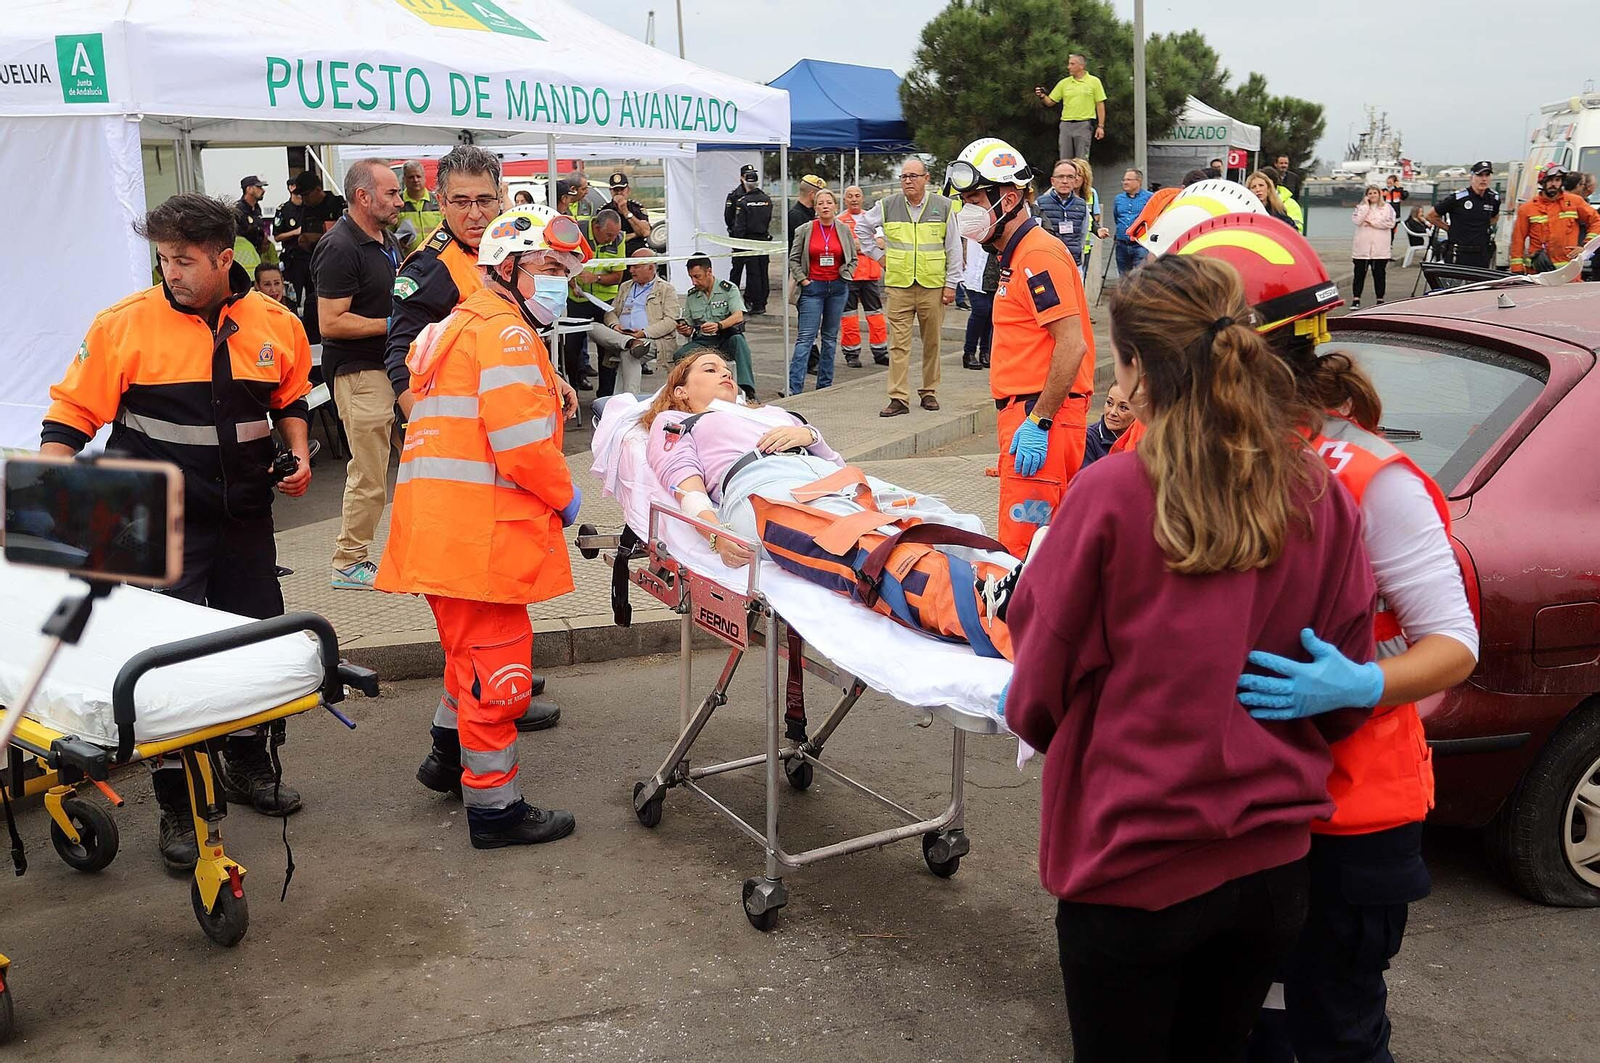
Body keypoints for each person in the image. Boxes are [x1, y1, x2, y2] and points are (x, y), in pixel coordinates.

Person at [1004, 251, 1380, 1063]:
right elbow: (1346, 693)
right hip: (1273, 866)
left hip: (1134, 864)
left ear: (1136, 370)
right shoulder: (1319, 491)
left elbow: (1035, 687)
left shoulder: (1109, 495)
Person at [1163, 213, 1479, 1063]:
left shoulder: (1372, 479)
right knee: (1245, 1029)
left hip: (1348, 817)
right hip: (1239, 809)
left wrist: (1360, 683)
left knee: (1332, 1032)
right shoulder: (1205, 464)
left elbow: (1452, 642)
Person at [40, 193, 314, 867]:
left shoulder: (274, 322)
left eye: (185, 260)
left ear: (225, 257)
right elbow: (70, 418)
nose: (171, 272)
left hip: (244, 525)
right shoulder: (122, 326)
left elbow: (291, 400)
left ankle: (247, 764)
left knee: (251, 652)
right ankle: (178, 807)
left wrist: (300, 452)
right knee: (159, 670)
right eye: (163, 258)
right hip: (151, 533)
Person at [377, 205, 582, 849]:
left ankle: (445, 757)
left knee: (465, 655)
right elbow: (521, 445)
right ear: (510, 266)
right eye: (548, 267)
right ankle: (496, 810)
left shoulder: (460, 325)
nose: (559, 280)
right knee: (498, 671)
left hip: (441, 530)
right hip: (479, 536)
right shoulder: (508, 336)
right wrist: (569, 497)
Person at [639, 352, 1017, 662]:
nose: (724, 373)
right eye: (710, 369)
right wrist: (714, 533)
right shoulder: (679, 421)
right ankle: (982, 603)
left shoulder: (769, 413)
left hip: (829, 476)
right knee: (865, 544)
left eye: (726, 369)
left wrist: (809, 434)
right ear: (682, 391)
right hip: (763, 485)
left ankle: (1017, 575)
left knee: (940, 517)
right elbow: (685, 486)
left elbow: (836, 461)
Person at [384, 148, 560, 730]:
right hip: (472, 469)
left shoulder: (509, 249)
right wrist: (437, 436)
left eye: (484, 200)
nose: (474, 213)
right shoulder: (430, 266)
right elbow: (403, 357)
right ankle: (491, 707)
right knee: (477, 623)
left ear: (501, 197)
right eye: (459, 202)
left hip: (493, 456)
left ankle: (456, 737)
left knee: (485, 625)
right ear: (439, 202)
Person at [948, 136, 1093, 557]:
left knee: (1024, 558)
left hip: (1041, 420)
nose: (966, 211)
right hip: (1031, 416)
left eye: (974, 199)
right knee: (1045, 553)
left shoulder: (1037, 256)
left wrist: (1040, 422)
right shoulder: (1018, 256)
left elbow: (1072, 345)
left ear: (1008, 199)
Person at [311, 158, 403, 591]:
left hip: (389, 368)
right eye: (391, 193)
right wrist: (393, 325)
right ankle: (349, 561)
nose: (399, 200)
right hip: (360, 372)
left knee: (403, 466)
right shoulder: (340, 247)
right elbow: (330, 323)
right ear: (363, 197)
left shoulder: (385, 240)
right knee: (368, 472)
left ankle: (392, 551)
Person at [852, 157, 961, 417]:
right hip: (899, 286)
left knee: (932, 342)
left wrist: (952, 284)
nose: (908, 181)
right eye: (904, 177)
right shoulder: (887, 205)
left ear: (926, 179)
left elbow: (954, 247)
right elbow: (861, 227)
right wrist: (878, 257)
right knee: (898, 345)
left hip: (932, 286)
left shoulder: (943, 207)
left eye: (913, 176)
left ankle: (929, 391)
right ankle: (898, 397)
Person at [788, 188, 856, 395]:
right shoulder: (805, 229)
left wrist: (846, 275)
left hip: (837, 288)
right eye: (820, 203)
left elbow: (853, 258)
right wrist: (804, 281)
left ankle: (824, 386)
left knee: (829, 338)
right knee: (806, 337)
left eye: (829, 202)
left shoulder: (843, 230)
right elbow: (794, 259)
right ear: (815, 207)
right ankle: (794, 388)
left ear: (835, 206)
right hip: (812, 288)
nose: (825, 206)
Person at [595, 247, 681, 396]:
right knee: (592, 327)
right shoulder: (625, 286)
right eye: (631, 266)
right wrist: (615, 325)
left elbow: (671, 321)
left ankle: (626, 400)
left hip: (651, 340)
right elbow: (611, 312)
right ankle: (628, 342)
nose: (631, 270)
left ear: (650, 268)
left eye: (636, 266)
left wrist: (643, 333)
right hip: (621, 336)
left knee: (629, 354)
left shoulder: (666, 289)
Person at [679, 255, 756, 401]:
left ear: (709, 272)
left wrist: (719, 325)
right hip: (704, 341)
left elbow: (738, 315)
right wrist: (685, 329)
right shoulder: (692, 295)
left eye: (697, 276)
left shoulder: (727, 289)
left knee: (739, 342)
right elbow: (689, 324)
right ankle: (689, 391)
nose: (694, 281)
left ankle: (748, 390)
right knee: (680, 354)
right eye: (691, 277)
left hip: (726, 337)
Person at [288, 170, 347, 343]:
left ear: (317, 189)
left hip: (338, 266)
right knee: (312, 306)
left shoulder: (336, 204)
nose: (304, 200)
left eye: (306, 195)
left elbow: (345, 235)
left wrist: (317, 237)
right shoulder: (306, 209)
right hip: (313, 264)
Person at [1509, 163, 1600, 275]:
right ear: (1542, 182)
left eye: (1557, 180)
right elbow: (1517, 240)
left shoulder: (1574, 202)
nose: (1554, 184)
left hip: (1569, 274)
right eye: (1550, 180)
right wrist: (1517, 269)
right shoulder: (1527, 209)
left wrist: (1585, 247)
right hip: (1538, 273)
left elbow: (1596, 221)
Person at [572, 209, 626, 394]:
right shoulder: (576, 231)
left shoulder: (619, 239)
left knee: (609, 349)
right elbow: (563, 261)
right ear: (596, 228)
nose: (612, 239)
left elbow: (618, 275)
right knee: (571, 347)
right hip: (577, 299)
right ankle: (572, 390)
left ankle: (606, 395)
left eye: (615, 234)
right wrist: (571, 281)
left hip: (605, 302)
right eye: (609, 235)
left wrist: (596, 278)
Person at [838, 185, 888, 367]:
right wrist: (867, 244)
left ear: (862, 198)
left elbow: (881, 243)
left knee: (876, 315)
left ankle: (880, 351)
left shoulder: (872, 218)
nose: (854, 199)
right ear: (845, 200)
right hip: (850, 276)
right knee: (849, 317)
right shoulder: (840, 221)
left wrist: (859, 245)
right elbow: (844, 247)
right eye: (850, 196)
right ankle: (851, 353)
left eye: (857, 195)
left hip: (871, 276)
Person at [1421, 161, 1499, 269]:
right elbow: (1430, 215)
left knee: (1479, 285)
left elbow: (1495, 216)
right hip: (1459, 252)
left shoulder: (1493, 198)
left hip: (1481, 254)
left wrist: (1482, 226)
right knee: (1456, 285)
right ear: (1471, 177)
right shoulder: (1458, 198)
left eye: (1487, 175)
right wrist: (1449, 229)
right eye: (1480, 175)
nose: (1484, 179)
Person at [1035, 53, 1107, 162]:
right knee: (1064, 160)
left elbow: (1100, 104)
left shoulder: (1094, 81)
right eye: (1069, 64)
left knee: (1081, 161)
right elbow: (1050, 102)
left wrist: (1100, 126)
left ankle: (1082, 179)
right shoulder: (1064, 83)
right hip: (1066, 125)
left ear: (1081, 66)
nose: (1069, 67)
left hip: (1084, 124)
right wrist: (1042, 96)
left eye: (1072, 64)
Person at [725, 163, 774, 315]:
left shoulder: (746, 200)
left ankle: (755, 301)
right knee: (739, 271)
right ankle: (734, 300)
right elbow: (729, 218)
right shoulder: (735, 196)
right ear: (741, 177)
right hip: (744, 240)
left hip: (748, 239)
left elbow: (741, 223)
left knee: (755, 272)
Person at [1033, 159, 1091, 268]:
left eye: (1070, 177)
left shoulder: (1082, 206)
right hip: (1047, 263)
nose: (1065, 181)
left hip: (1074, 264)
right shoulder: (1039, 204)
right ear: (1052, 181)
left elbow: (1083, 235)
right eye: (1060, 177)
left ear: (1075, 181)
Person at [1350, 185, 1396, 308]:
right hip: (1362, 248)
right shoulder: (1360, 208)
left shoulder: (1387, 208)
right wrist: (1365, 207)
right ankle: (1356, 299)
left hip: (1380, 248)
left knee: (1379, 275)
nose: (1372, 195)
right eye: (1370, 193)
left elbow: (1390, 223)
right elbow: (1357, 221)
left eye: (1375, 193)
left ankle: (1380, 299)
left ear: (1379, 194)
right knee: (1359, 275)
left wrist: (1372, 223)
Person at [393, 160, 443, 255]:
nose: (415, 180)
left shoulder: (437, 201)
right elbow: (387, 234)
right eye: (411, 177)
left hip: (435, 258)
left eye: (418, 176)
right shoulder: (397, 202)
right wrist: (397, 242)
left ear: (424, 178)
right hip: (407, 260)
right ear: (404, 179)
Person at [960, 237, 994, 371]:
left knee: (990, 313)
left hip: (993, 274)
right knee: (980, 310)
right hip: (974, 274)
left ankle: (985, 351)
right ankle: (969, 352)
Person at [1111, 168, 1153, 277]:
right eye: (1124, 180)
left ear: (1138, 181)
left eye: (1129, 179)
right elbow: (1116, 217)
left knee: (1141, 276)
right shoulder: (1118, 199)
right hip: (1122, 244)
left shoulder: (1149, 197)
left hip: (1140, 243)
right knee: (1123, 277)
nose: (1125, 182)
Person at [1080, 382, 1132, 468]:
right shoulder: (1089, 439)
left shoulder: (1146, 438)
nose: (1112, 412)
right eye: (1109, 403)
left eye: (1123, 408)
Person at [272, 183, 308, 309]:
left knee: (312, 295)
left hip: (310, 256)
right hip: (293, 258)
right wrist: (295, 232)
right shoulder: (283, 210)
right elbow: (277, 236)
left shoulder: (308, 208)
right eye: (298, 194)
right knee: (293, 294)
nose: (301, 198)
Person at [1075, 158, 1109, 280]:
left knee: (1081, 279)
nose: (1076, 178)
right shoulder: (1059, 193)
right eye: (1074, 174)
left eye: (1080, 175)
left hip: (1085, 245)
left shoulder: (1091, 194)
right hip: (1066, 244)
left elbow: (1094, 218)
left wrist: (1098, 230)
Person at [606, 171, 653, 255]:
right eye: (616, 190)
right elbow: (608, 237)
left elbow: (645, 232)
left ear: (628, 190)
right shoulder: (604, 210)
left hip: (636, 251)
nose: (619, 193)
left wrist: (626, 211)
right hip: (613, 252)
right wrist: (635, 234)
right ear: (610, 191)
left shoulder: (637, 208)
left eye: (622, 189)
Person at [234, 175, 272, 257]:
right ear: (249, 189)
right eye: (259, 187)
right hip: (243, 255)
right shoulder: (238, 209)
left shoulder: (257, 208)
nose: (263, 190)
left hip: (256, 253)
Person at [1266, 166, 1306, 233]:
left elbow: (1297, 229)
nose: (1258, 189)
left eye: (1261, 185)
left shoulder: (1290, 204)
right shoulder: (1256, 203)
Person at [1380, 175, 1408, 241]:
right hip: (1385, 216)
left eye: (1390, 183)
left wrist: (1400, 188)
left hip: (1395, 217)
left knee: (1392, 233)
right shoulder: (1383, 191)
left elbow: (1404, 196)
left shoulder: (1398, 191)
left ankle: (1390, 246)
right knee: (1384, 233)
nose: (1388, 185)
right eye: (1387, 183)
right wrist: (1383, 196)